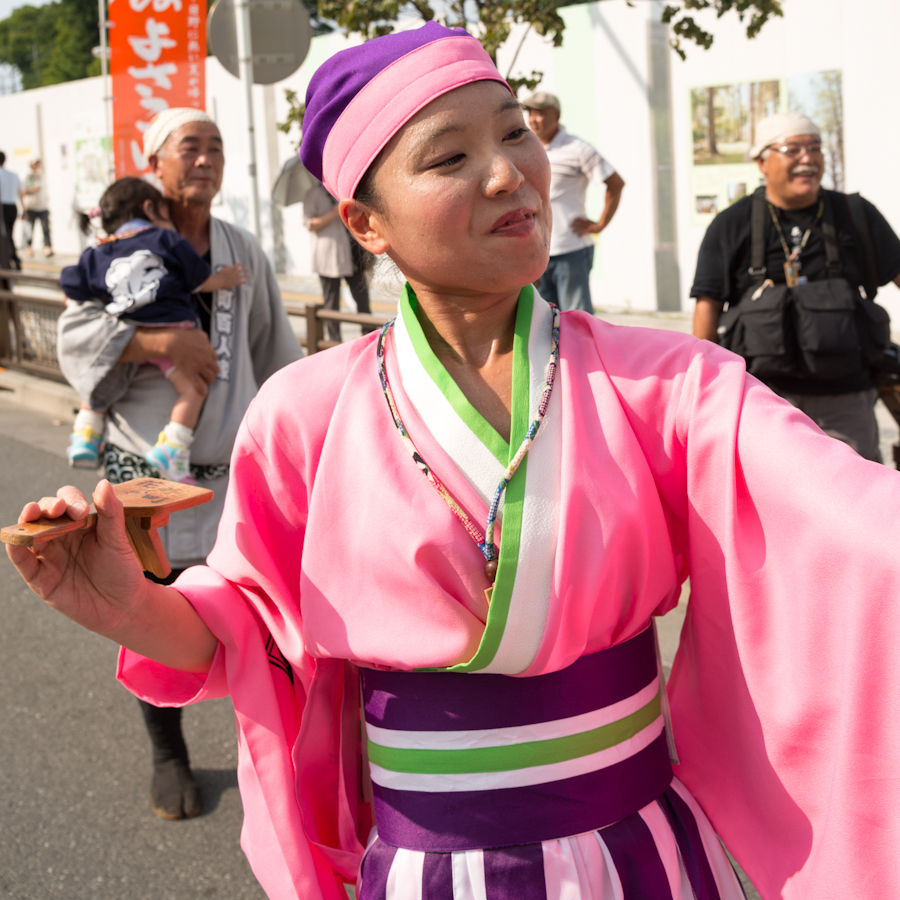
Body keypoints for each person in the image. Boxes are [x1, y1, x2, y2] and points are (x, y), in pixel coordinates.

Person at [11, 23, 900, 900]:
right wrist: (132, 607)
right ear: (365, 224)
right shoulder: (304, 413)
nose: (512, 171)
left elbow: (853, 524)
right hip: (423, 870)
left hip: (638, 855)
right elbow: (250, 631)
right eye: (449, 157)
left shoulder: (671, 383)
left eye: (515, 131)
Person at [53, 107, 302, 820]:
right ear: (154, 163)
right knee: (151, 617)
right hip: (144, 473)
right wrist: (157, 346)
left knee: (260, 624)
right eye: (189, 147)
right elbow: (75, 332)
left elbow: (276, 352)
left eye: (216, 147)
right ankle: (169, 752)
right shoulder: (123, 242)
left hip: (234, 478)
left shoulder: (239, 250)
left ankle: (277, 760)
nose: (206, 159)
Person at [691, 111, 900, 461]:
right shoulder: (731, 223)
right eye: (793, 149)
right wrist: (707, 390)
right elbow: (707, 308)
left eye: (815, 147)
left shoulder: (855, 214)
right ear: (762, 162)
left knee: (856, 501)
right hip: (763, 399)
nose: (808, 158)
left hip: (847, 399)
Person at [61, 177, 248, 479]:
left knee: (100, 378)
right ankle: (173, 446)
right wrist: (224, 279)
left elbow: (72, 286)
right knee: (194, 388)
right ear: (150, 207)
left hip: (124, 331)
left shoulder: (97, 252)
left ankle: (85, 433)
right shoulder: (166, 240)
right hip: (174, 327)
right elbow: (197, 280)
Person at [523, 91, 624, 314]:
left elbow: (615, 183)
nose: (533, 119)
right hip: (536, 250)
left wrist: (599, 225)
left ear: (556, 115)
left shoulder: (578, 149)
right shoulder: (526, 148)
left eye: (539, 113)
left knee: (576, 321)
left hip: (571, 250)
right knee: (541, 322)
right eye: (530, 112)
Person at [303, 176, 373, 343]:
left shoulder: (343, 190)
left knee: (362, 298)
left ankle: (370, 337)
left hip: (351, 254)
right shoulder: (313, 194)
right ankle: (334, 342)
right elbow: (310, 224)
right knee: (331, 302)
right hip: (327, 257)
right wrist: (334, 213)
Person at [21, 157, 53, 257]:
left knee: (45, 228)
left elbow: (38, 188)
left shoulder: (42, 175)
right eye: (35, 163)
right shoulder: (26, 175)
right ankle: (29, 247)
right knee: (30, 229)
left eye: (38, 163)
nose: (36, 165)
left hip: (42, 206)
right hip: (30, 207)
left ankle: (47, 247)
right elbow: (23, 190)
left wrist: (30, 190)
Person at [0, 150, 23, 270]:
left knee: (5, 236)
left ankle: (10, 259)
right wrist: (23, 209)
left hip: (2, 208)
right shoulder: (13, 175)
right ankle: (14, 258)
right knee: (9, 234)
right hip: (13, 207)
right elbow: (21, 193)